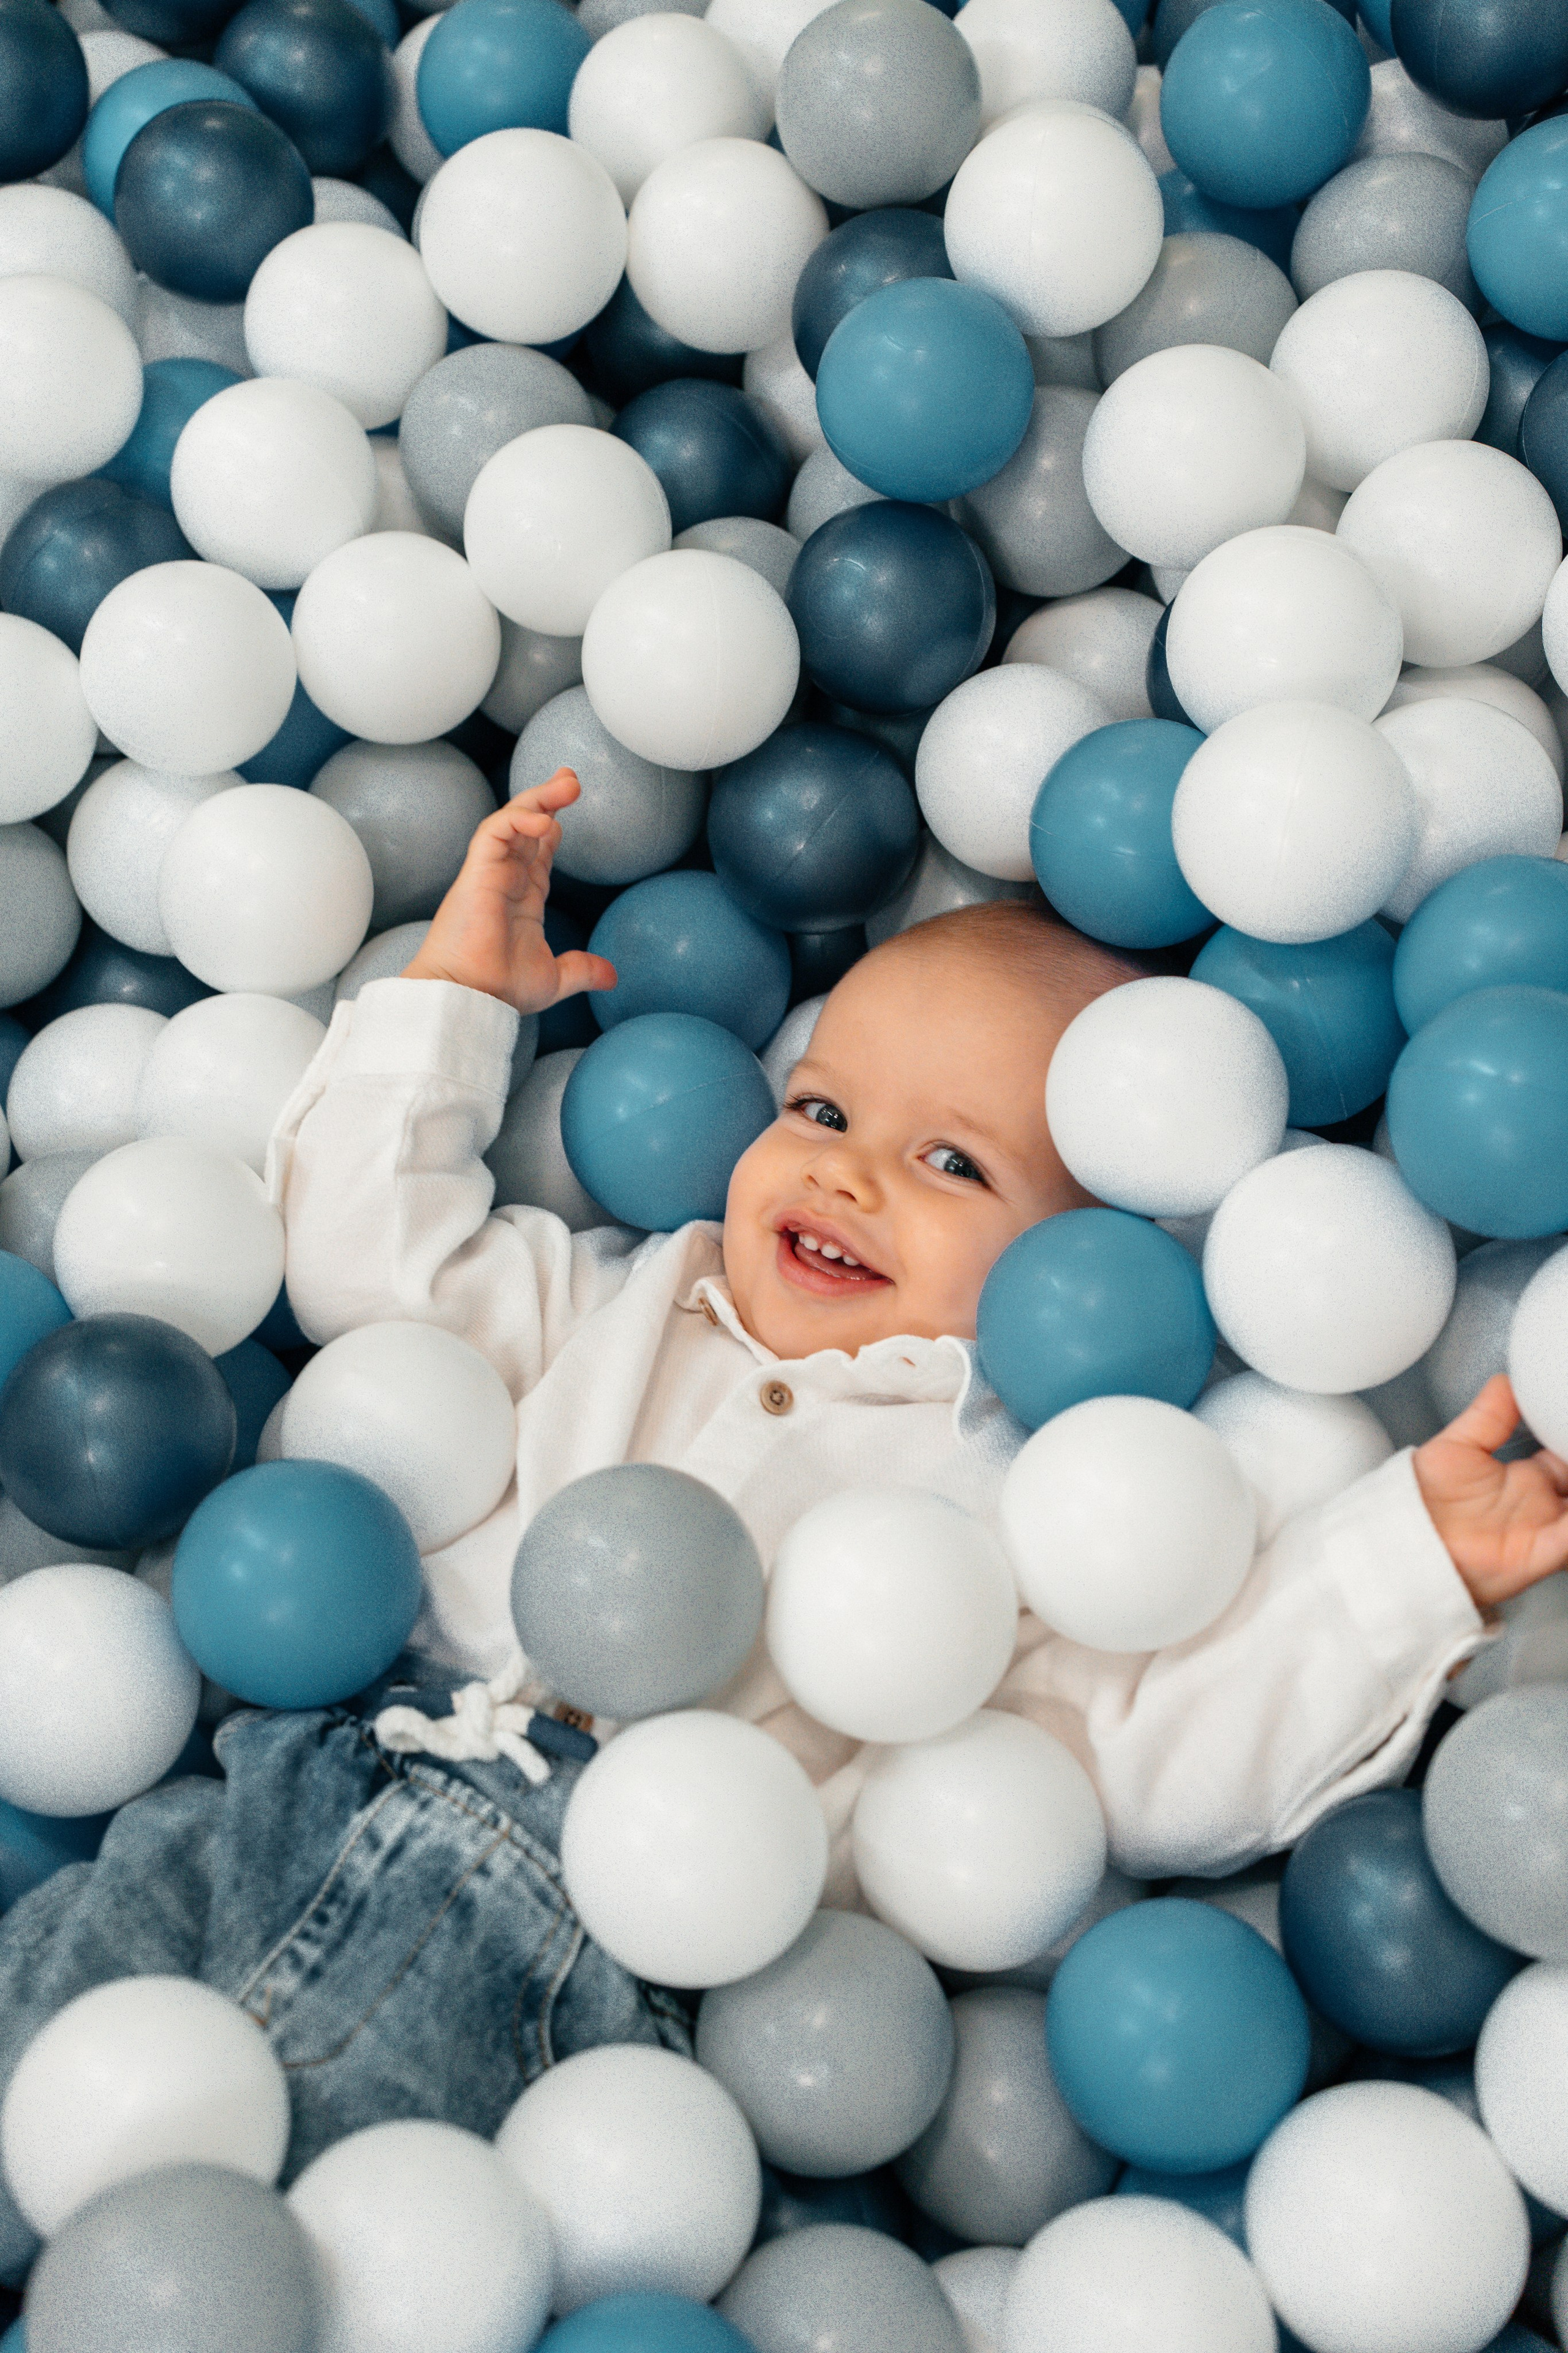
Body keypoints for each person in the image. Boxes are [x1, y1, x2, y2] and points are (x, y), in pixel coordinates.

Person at [0, 767, 1562, 2208]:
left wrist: (1402, 1566)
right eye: (820, 1110)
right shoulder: (619, 1297)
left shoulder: (1026, 1499)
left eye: (954, 1165)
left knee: (240, 2250)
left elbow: (1151, 1758)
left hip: (580, 1938)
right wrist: (459, 996)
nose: (846, 1171)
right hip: (289, 1784)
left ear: (1090, 1267)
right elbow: (368, 1263)